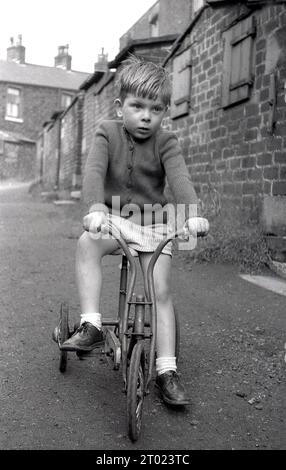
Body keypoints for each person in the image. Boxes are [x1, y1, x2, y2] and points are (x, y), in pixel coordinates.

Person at [61, 56, 209, 406]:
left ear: (165, 112)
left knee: (161, 292)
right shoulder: (105, 133)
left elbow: (180, 180)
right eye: (137, 106)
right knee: (88, 242)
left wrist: (192, 217)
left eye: (155, 109)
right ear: (120, 106)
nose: (146, 116)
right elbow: (94, 173)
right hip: (115, 220)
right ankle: (92, 325)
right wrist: (96, 209)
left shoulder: (167, 142)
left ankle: (166, 370)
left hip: (156, 223)